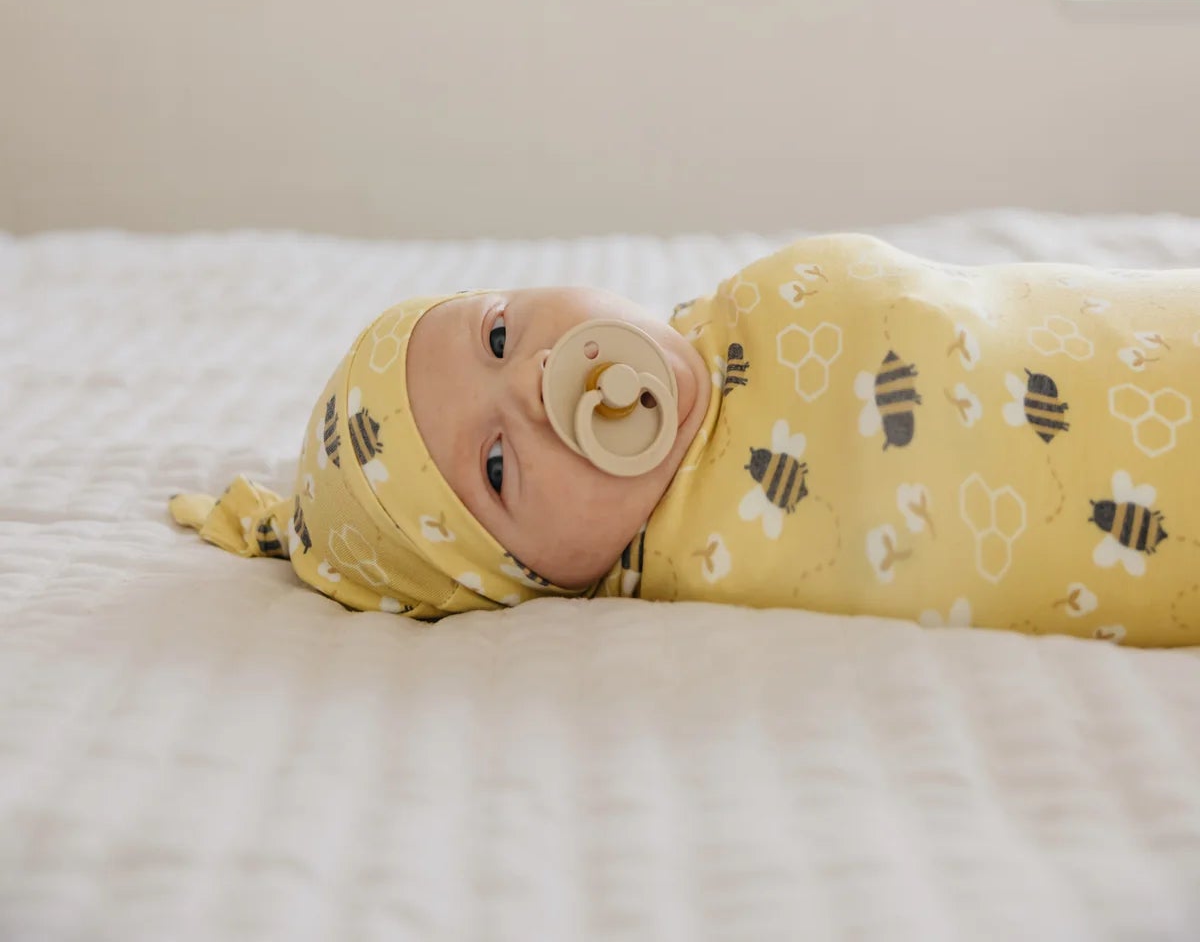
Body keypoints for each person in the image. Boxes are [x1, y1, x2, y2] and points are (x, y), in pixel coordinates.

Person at [169, 233, 1200, 643]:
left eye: (498, 335)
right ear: (533, 577)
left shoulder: (727, 318)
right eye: (496, 466)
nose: (536, 381)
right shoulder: (709, 563)